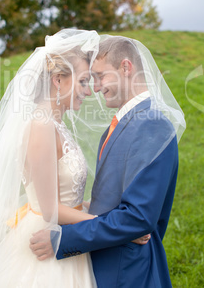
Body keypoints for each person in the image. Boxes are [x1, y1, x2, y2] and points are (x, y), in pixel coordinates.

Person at [30, 35, 186, 288]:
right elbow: (113, 199)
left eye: (100, 76)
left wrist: (63, 239)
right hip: (104, 263)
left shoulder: (152, 124)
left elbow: (137, 219)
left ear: (126, 68)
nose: (96, 87)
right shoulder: (122, 124)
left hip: (126, 272)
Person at [0, 29, 103, 287]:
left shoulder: (55, 123)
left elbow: (67, 194)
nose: (88, 91)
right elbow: (50, 209)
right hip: (46, 242)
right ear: (58, 79)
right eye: (83, 81)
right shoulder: (41, 125)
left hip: (68, 232)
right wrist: (110, 227)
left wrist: (94, 207)